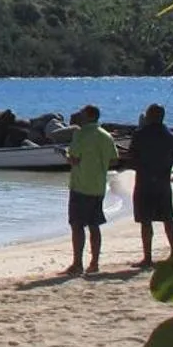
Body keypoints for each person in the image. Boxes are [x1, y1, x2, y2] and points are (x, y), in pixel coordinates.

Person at [63, 104, 118, 276]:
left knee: (77, 225)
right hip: (98, 186)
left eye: (81, 114)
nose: (78, 117)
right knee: (94, 225)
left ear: (89, 116)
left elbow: (74, 159)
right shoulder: (106, 136)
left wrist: (64, 155)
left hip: (80, 185)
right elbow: (114, 160)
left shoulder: (81, 134)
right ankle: (94, 263)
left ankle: (78, 263)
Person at [128, 104, 173, 267]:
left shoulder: (140, 135)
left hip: (144, 182)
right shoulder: (170, 135)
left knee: (146, 221)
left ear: (150, 116)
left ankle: (148, 257)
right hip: (163, 182)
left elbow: (132, 157)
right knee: (168, 219)